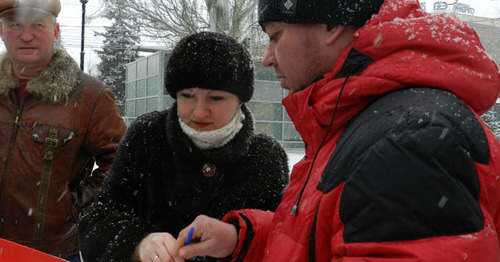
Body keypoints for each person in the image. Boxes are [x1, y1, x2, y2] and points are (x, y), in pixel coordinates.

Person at [169, 0, 500, 261]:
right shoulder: (360, 118)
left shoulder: (409, 141)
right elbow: (319, 240)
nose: (268, 58)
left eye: (275, 36)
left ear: (332, 25)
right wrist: (242, 239)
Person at [78, 31, 290, 262]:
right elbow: (96, 220)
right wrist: (138, 242)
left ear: (240, 100)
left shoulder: (265, 158)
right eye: (187, 95)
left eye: (215, 98)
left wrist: (232, 243)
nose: (199, 111)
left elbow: (279, 241)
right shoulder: (146, 137)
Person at [0, 0, 126, 261]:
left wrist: (72, 208)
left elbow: (122, 162)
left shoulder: (91, 96)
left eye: (37, 25)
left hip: (51, 252)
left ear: (55, 31)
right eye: (16, 25)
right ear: (2, 32)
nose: (26, 35)